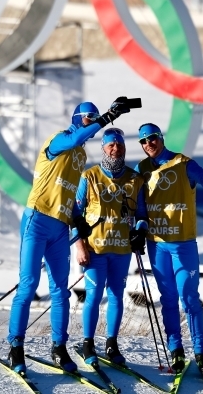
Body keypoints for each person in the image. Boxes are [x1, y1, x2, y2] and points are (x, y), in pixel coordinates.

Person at [7, 99, 131, 375]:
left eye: (95, 117)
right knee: (28, 286)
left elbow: (71, 195)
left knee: (60, 291)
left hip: (60, 227)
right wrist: (108, 117)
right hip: (37, 219)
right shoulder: (60, 140)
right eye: (88, 116)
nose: (92, 120)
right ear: (77, 117)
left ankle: (59, 347)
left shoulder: (81, 157)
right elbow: (77, 136)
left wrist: (78, 222)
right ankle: (16, 346)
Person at [135, 122, 203, 376]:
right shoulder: (141, 169)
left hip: (183, 244)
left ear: (161, 138)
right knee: (167, 299)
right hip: (156, 245)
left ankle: (201, 353)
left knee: (189, 298)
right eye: (143, 141)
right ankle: (176, 350)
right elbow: (140, 205)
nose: (149, 144)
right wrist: (140, 225)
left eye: (152, 138)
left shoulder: (182, 163)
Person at [72, 127, 146, 367]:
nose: (116, 149)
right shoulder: (89, 176)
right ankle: (88, 343)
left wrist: (140, 232)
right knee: (93, 296)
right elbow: (76, 214)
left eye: (120, 145)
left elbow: (142, 214)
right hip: (95, 249)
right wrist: (79, 245)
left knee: (116, 296)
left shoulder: (135, 179)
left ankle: (112, 344)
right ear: (103, 148)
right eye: (111, 145)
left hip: (122, 250)